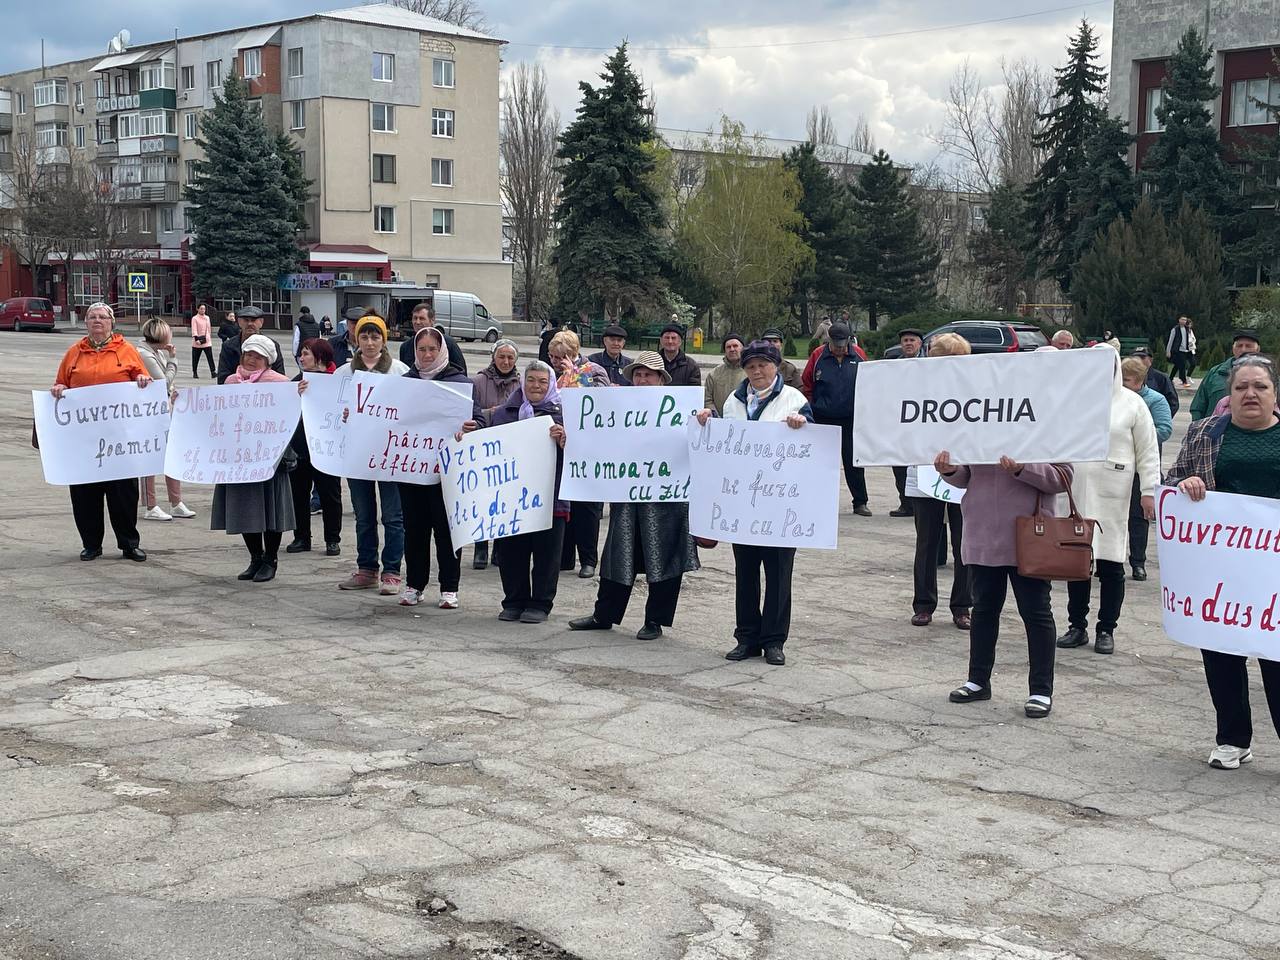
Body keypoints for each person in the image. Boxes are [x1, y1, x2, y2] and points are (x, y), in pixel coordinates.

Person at [1164, 355, 1280, 770]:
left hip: (1275, 572)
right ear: (1228, 396)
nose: (1250, 394)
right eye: (1241, 387)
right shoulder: (1203, 434)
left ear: (1274, 393)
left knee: (1276, 656)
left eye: (1260, 387)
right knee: (1221, 652)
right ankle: (1233, 739)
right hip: (1221, 568)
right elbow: (1170, 482)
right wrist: (1184, 484)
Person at [695, 340, 813, 666]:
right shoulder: (734, 400)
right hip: (743, 503)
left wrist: (804, 427)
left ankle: (774, 640)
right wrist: (708, 420)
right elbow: (723, 439)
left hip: (780, 503)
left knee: (778, 575)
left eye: (763, 365)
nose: (757, 371)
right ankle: (746, 637)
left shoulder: (794, 400)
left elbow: (816, 446)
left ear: (776, 366)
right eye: (751, 366)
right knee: (745, 573)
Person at [568, 351, 700, 640]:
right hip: (627, 496)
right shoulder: (619, 409)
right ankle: (604, 614)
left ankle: (655, 620)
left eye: (648, 375)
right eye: (638, 374)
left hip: (667, 498)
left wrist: (703, 421)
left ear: (660, 381)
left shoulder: (678, 408)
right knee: (618, 554)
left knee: (664, 557)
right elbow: (596, 439)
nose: (642, 379)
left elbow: (698, 441)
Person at [935, 451, 1073, 719]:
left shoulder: (1048, 423)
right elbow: (966, 476)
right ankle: (978, 680)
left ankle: (1041, 690)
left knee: (1036, 613)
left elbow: (1063, 477)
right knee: (984, 609)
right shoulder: (980, 421)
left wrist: (1024, 467)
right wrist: (950, 470)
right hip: (983, 532)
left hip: (1031, 536)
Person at [1056, 348, 1160, 656]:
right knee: (1077, 564)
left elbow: (1148, 450)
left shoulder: (1133, 404)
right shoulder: (1072, 400)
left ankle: (1106, 628)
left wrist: (1150, 491)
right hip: (1075, 491)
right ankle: (1077, 626)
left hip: (1113, 493)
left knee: (1111, 563)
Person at [50, 302, 151, 563]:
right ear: (86, 323)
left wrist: (142, 380)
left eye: (102, 317)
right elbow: (61, 381)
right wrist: (59, 388)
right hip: (84, 441)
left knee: (124, 494)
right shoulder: (74, 352)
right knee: (85, 494)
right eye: (92, 317)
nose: (97, 320)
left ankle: (129, 544)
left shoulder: (126, 350)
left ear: (111, 322)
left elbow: (144, 378)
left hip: (119, 440)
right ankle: (91, 544)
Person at [397, 327, 477, 608]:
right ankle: (414, 585)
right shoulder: (405, 382)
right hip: (411, 473)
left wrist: (472, 426)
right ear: (414, 352)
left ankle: (449, 587)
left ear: (442, 350)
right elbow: (383, 416)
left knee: (447, 532)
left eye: (432, 349)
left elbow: (477, 418)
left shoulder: (459, 383)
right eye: (422, 349)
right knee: (414, 531)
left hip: (447, 475)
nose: (427, 354)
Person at [489, 361, 569, 623]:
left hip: (551, 497)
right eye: (531, 380)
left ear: (551, 384)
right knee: (512, 550)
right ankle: (513, 600)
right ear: (523, 382)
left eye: (542, 382)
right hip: (511, 498)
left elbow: (582, 455)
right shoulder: (504, 413)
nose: (536, 386)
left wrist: (564, 441)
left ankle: (540, 603)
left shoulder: (563, 415)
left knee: (547, 553)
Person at [212, 335, 295, 582]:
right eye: (248, 354)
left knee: (270, 509)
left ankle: (271, 559)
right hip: (238, 457)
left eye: (257, 356)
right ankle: (255, 557)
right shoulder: (230, 382)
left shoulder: (280, 383)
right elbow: (215, 413)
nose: (251, 359)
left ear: (268, 361)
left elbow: (291, 415)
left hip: (269, 456)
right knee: (243, 507)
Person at [906, 333, 972, 630]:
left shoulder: (975, 387)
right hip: (925, 471)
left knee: (964, 543)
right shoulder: (916, 384)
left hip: (964, 474)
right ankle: (923, 604)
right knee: (927, 542)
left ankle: (962, 606)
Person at [339, 315, 409, 595]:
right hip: (357, 456)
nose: (369, 343)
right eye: (364, 337)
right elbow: (328, 408)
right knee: (364, 515)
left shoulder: (400, 371)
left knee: (393, 516)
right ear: (357, 339)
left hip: (390, 457)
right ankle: (367, 568)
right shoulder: (344, 373)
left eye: (375, 336)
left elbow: (411, 410)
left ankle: (392, 571)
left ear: (384, 339)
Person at [548, 329, 609, 578]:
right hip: (560, 446)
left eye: (559, 356)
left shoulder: (594, 371)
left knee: (587, 507)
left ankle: (588, 559)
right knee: (564, 504)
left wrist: (573, 376)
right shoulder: (551, 374)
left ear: (572, 354)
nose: (554, 361)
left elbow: (603, 404)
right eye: (552, 357)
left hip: (589, 448)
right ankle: (564, 558)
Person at [801, 321, 870, 515]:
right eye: (835, 344)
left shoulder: (859, 355)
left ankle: (860, 502)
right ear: (828, 340)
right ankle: (820, 500)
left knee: (853, 462)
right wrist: (811, 408)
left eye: (842, 345)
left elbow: (869, 384)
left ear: (848, 340)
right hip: (823, 417)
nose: (839, 349)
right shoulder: (817, 356)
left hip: (851, 418)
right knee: (822, 463)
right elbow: (807, 384)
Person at [135, 318, 196, 522]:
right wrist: (173, 359)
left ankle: (176, 502)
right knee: (150, 458)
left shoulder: (156, 352)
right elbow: (163, 382)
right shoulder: (145, 354)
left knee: (172, 455)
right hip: (148, 413)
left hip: (164, 409)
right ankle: (150, 505)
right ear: (161, 335)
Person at [287, 338, 343, 557]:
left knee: (330, 495)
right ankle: (301, 537)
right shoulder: (297, 381)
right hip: (301, 448)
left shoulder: (336, 380)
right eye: (301, 354)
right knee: (298, 495)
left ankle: (332, 539)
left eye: (306, 353)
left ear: (320, 357)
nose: (302, 358)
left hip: (326, 448)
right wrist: (294, 394)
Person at [470, 339, 522, 570]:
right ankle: (481, 547)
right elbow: (471, 413)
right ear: (493, 357)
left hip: (510, 450)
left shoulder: (521, 383)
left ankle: (500, 548)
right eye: (501, 356)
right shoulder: (478, 381)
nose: (506, 361)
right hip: (484, 449)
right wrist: (494, 414)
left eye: (510, 357)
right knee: (482, 500)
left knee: (505, 501)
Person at [1121, 357, 1172, 582]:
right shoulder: (1114, 399)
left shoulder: (1156, 400)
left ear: (1140, 381)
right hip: (1115, 466)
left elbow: (1165, 429)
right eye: (1119, 380)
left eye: (1128, 381)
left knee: (1138, 516)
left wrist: (1138, 440)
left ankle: (1138, 562)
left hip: (1142, 466)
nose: (1122, 385)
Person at [890, 328, 926, 518]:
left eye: (912, 340)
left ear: (920, 343)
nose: (908, 343)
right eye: (905, 340)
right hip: (901, 424)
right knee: (899, 465)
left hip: (924, 423)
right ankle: (906, 504)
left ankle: (922, 502)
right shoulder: (894, 366)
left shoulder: (931, 364)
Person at [1191, 329, 1262, 421]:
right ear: (1233, 348)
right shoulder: (1216, 373)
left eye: (1248, 346)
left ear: (1258, 349)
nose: (1243, 350)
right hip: (1215, 431)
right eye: (1239, 346)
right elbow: (1198, 407)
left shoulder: (1268, 376)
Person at [216, 306, 286, 383]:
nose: (249, 323)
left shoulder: (272, 345)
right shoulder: (228, 346)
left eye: (253, 320)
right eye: (246, 320)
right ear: (239, 321)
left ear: (261, 322)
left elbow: (279, 376)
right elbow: (222, 377)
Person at [398, 301, 467, 373]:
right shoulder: (405, 347)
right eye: (415, 318)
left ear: (432, 320)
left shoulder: (448, 343)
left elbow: (462, 373)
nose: (417, 322)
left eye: (422, 318)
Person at [703, 332, 747, 415]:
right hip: (718, 423)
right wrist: (715, 416)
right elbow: (707, 399)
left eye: (735, 346)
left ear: (742, 348)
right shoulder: (714, 374)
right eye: (728, 347)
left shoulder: (750, 372)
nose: (732, 349)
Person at [1131, 346, 1179, 416]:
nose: (1138, 361)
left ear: (1150, 360)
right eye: (1135, 358)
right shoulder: (1124, 377)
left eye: (1142, 358)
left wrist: (1161, 419)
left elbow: (1173, 403)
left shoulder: (1162, 378)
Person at [658, 322, 701, 387]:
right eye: (667, 338)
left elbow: (694, 392)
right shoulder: (652, 363)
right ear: (661, 341)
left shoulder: (692, 366)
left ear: (680, 341)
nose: (670, 341)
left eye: (673, 338)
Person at [1166, 315, 1197, 387]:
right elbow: (1170, 341)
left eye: (1185, 320)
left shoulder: (1187, 329)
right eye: (1182, 319)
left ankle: (1170, 378)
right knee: (1182, 365)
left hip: (1187, 350)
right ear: (1179, 320)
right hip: (1178, 351)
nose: (1184, 321)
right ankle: (1184, 381)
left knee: (1178, 365)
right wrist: (1168, 351)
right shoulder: (1175, 329)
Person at [190, 303, 215, 378]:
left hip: (206, 340)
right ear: (197, 309)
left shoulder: (207, 318)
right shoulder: (195, 318)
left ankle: (213, 372)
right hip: (197, 341)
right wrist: (196, 339)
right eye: (201, 308)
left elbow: (208, 329)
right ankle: (195, 372)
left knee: (210, 357)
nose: (203, 310)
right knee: (195, 358)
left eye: (204, 309)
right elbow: (194, 329)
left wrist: (208, 338)